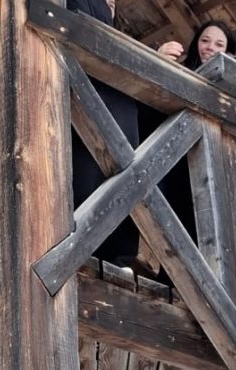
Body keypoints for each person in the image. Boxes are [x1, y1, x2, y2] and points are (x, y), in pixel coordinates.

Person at [68, 0, 142, 269]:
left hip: (117, 111)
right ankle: (92, 252)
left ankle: (115, 256)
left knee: (120, 183)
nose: (111, 3)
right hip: (88, 104)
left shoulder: (116, 30)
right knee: (89, 181)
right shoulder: (84, 6)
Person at [157, 21, 236, 80]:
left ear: (227, 51)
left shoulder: (235, 76)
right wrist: (157, 60)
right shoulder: (181, 67)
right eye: (205, 40)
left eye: (219, 44)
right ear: (196, 43)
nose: (210, 47)